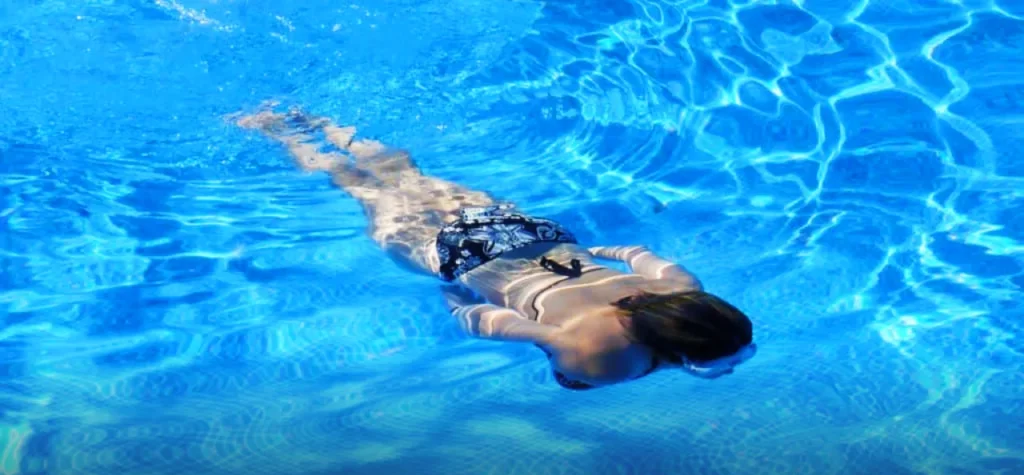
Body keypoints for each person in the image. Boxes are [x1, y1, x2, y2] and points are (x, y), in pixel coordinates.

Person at [234, 105, 756, 390]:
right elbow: (498, 323)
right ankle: (280, 134)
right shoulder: (601, 357)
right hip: (466, 258)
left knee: (404, 173)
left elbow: (636, 250)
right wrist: (458, 303)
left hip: (532, 234)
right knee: (360, 188)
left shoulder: (681, 286)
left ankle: (321, 120)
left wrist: (600, 247)